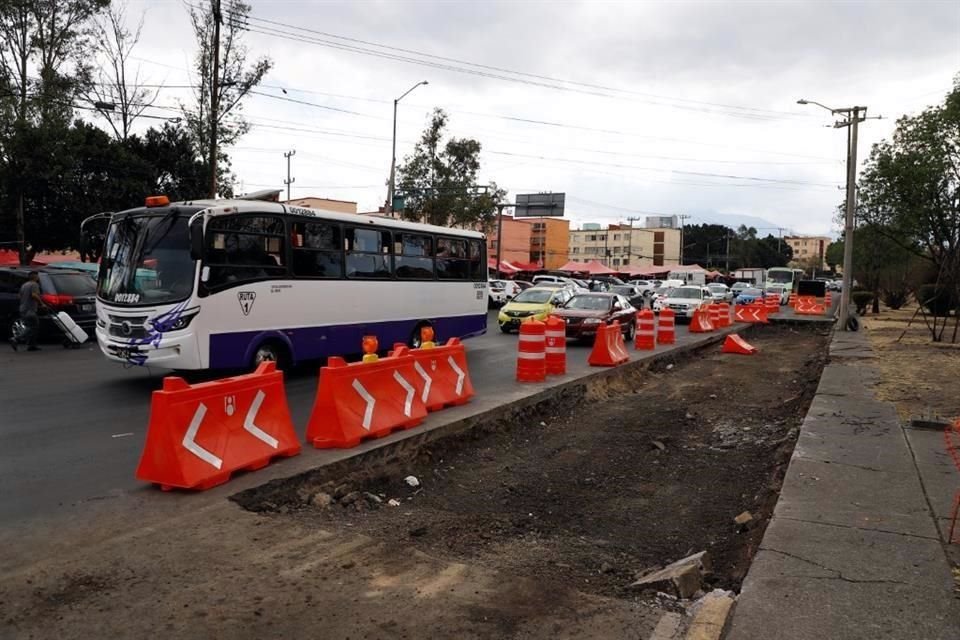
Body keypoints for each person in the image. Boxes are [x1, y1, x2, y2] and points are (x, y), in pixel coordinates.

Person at [12, 271, 45, 352]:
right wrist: (41, 303)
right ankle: (16, 338)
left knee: (30, 326)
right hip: (30, 309)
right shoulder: (34, 285)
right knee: (33, 326)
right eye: (37, 276)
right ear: (34, 277)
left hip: (23, 308)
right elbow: (34, 295)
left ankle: (31, 345)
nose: (38, 278)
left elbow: (19, 296)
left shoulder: (24, 285)